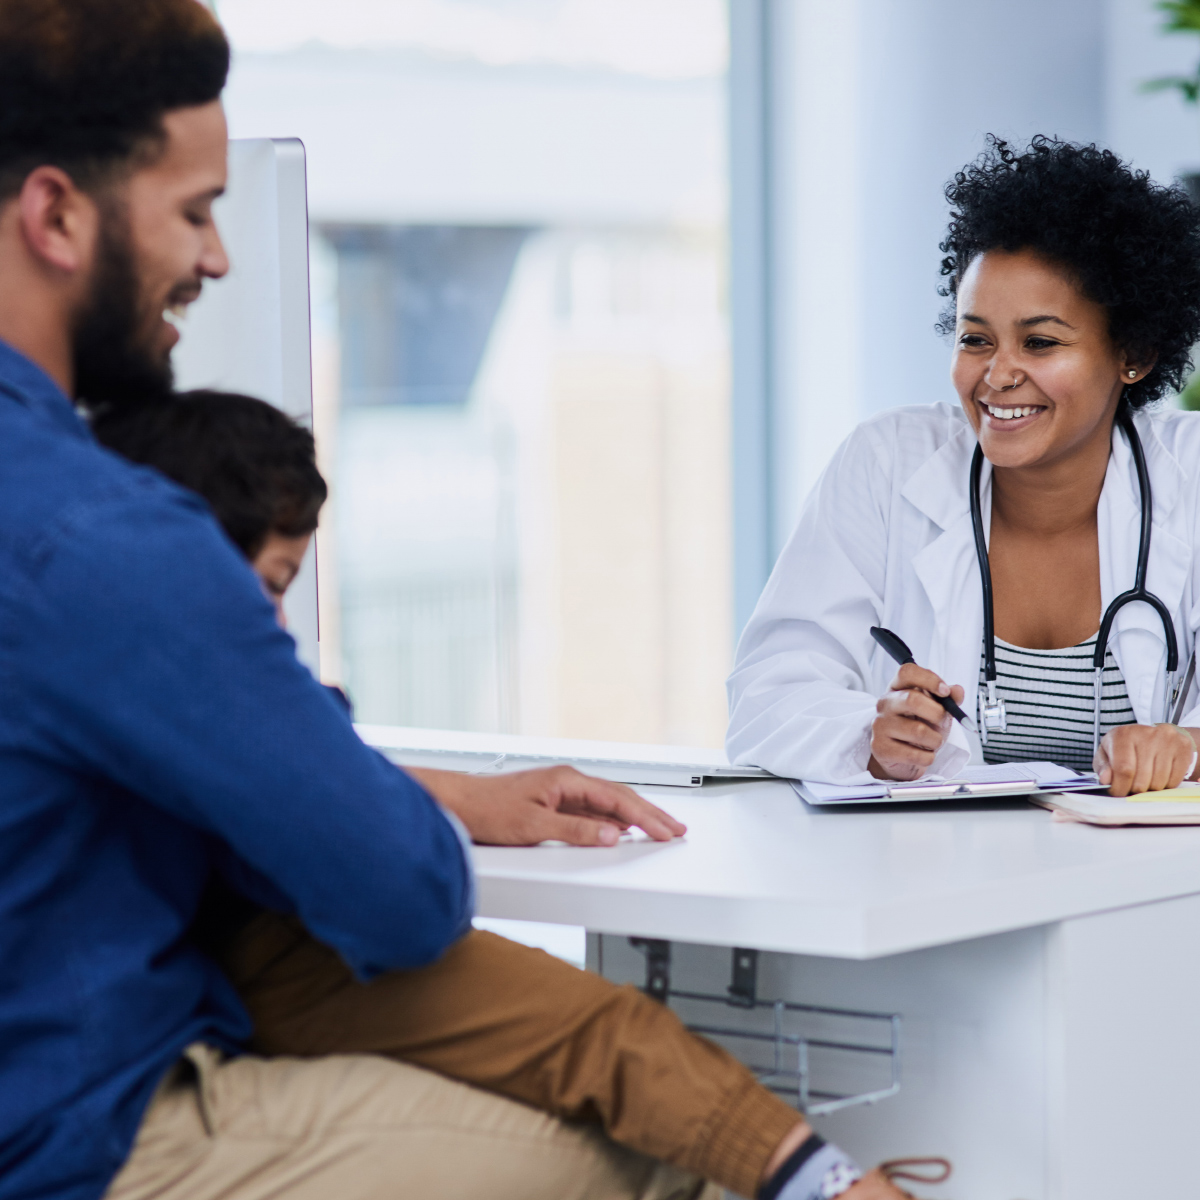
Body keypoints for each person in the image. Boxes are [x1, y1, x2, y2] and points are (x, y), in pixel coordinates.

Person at [0, 4, 912, 1200]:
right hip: (85, 1136)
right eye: (195, 210)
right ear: (58, 214)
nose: (217, 259)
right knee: (662, 1155)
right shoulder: (103, 536)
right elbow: (402, 897)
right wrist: (361, 790)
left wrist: (442, 790)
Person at [727, 136, 1200, 796]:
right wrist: (869, 734)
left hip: (1144, 892)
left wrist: (1188, 746)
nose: (997, 375)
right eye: (975, 339)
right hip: (940, 883)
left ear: (1135, 353)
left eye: (1040, 342)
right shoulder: (887, 463)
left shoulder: (1192, 475)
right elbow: (766, 692)